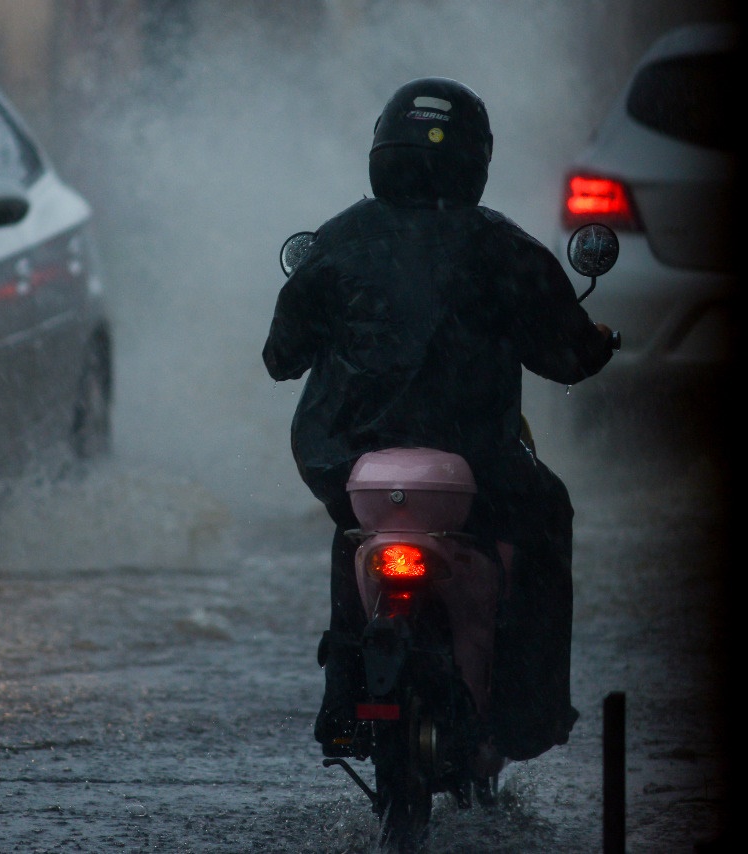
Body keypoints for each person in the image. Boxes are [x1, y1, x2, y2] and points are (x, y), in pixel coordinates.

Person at [261, 77, 616, 762]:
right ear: (475, 161)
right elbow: (568, 355)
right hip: (478, 464)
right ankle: (528, 716)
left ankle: (343, 705)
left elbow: (281, 358)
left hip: (348, 461)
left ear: (382, 150)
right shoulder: (502, 246)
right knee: (547, 513)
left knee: (350, 534)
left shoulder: (336, 241)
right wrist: (599, 341)